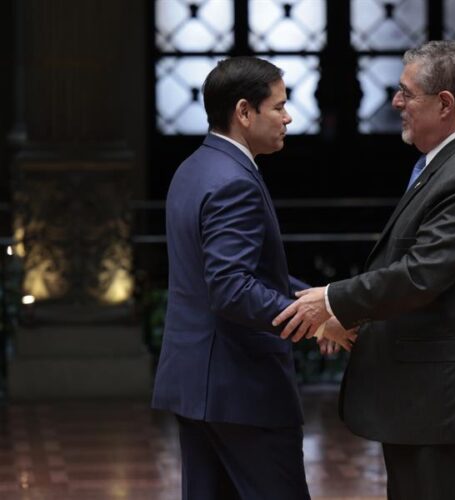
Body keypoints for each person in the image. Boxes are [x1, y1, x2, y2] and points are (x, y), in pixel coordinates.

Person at [274, 41, 455, 500]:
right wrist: (350, 313)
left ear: (444, 103)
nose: (395, 103)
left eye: (407, 93)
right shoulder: (446, 162)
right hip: (425, 397)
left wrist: (331, 300)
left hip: (440, 400)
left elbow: (420, 275)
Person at [151, 56, 354, 500]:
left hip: (199, 386)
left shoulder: (194, 167)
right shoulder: (233, 181)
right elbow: (232, 288)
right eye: (278, 107)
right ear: (244, 112)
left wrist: (319, 301)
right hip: (242, 390)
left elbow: (250, 274)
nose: (288, 116)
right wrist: (317, 320)